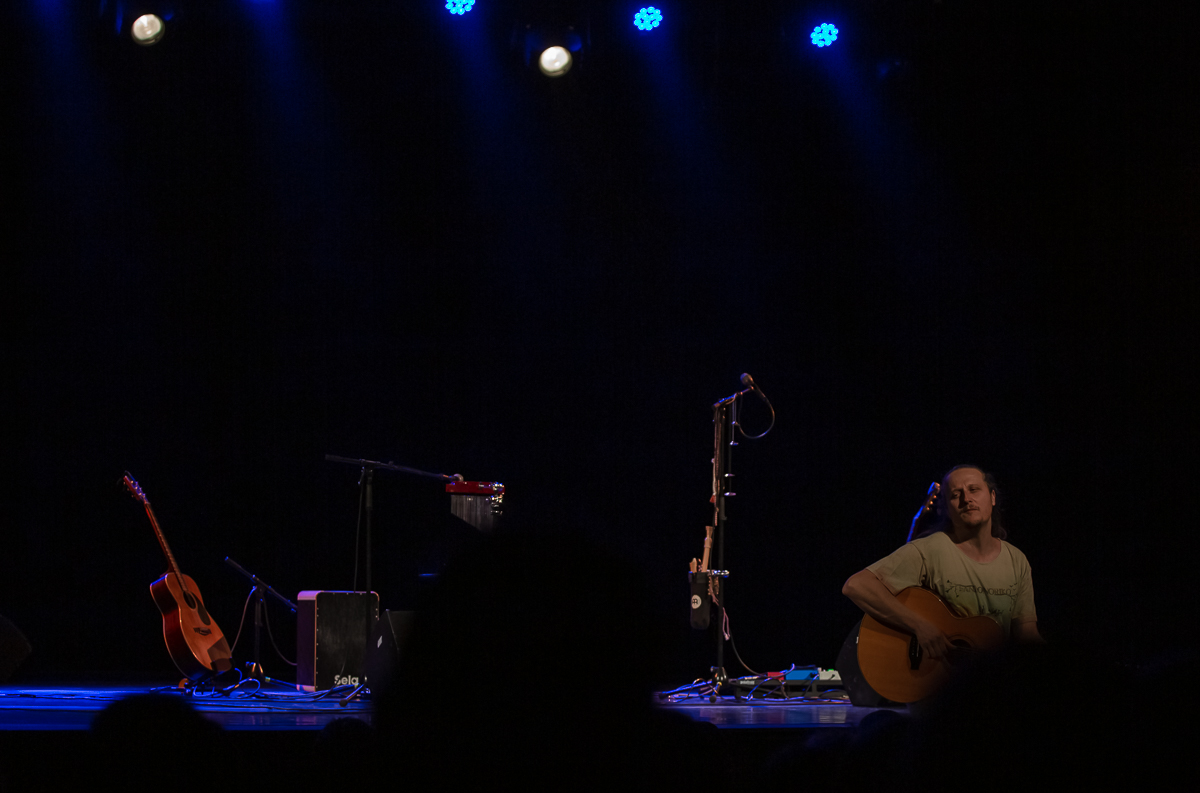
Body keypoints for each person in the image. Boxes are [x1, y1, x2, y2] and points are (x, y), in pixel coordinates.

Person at [842, 465, 1042, 663]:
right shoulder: (930, 549)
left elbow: (1027, 634)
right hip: (938, 676)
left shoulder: (1016, 559)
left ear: (992, 497)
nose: (966, 499)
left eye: (974, 489)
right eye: (955, 495)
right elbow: (857, 585)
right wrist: (919, 626)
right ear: (947, 508)